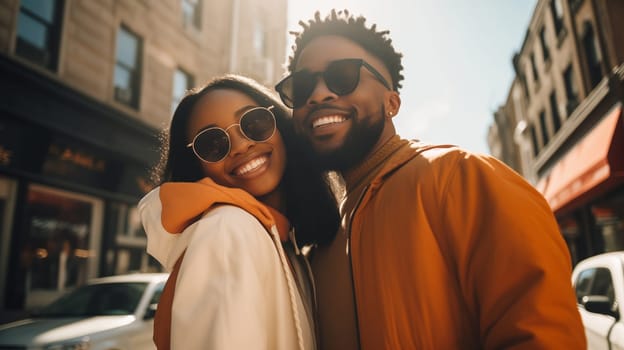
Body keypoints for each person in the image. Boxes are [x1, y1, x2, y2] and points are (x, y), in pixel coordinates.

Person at [274, 9, 586, 349]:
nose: (318, 95)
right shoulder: (319, 243)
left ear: (392, 102)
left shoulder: (465, 180)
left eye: (342, 75)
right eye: (303, 86)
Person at [139, 74, 339, 349]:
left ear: (280, 127)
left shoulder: (285, 242)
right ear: (198, 167)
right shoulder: (226, 232)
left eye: (254, 123)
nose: (241, 146)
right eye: (212, 143)